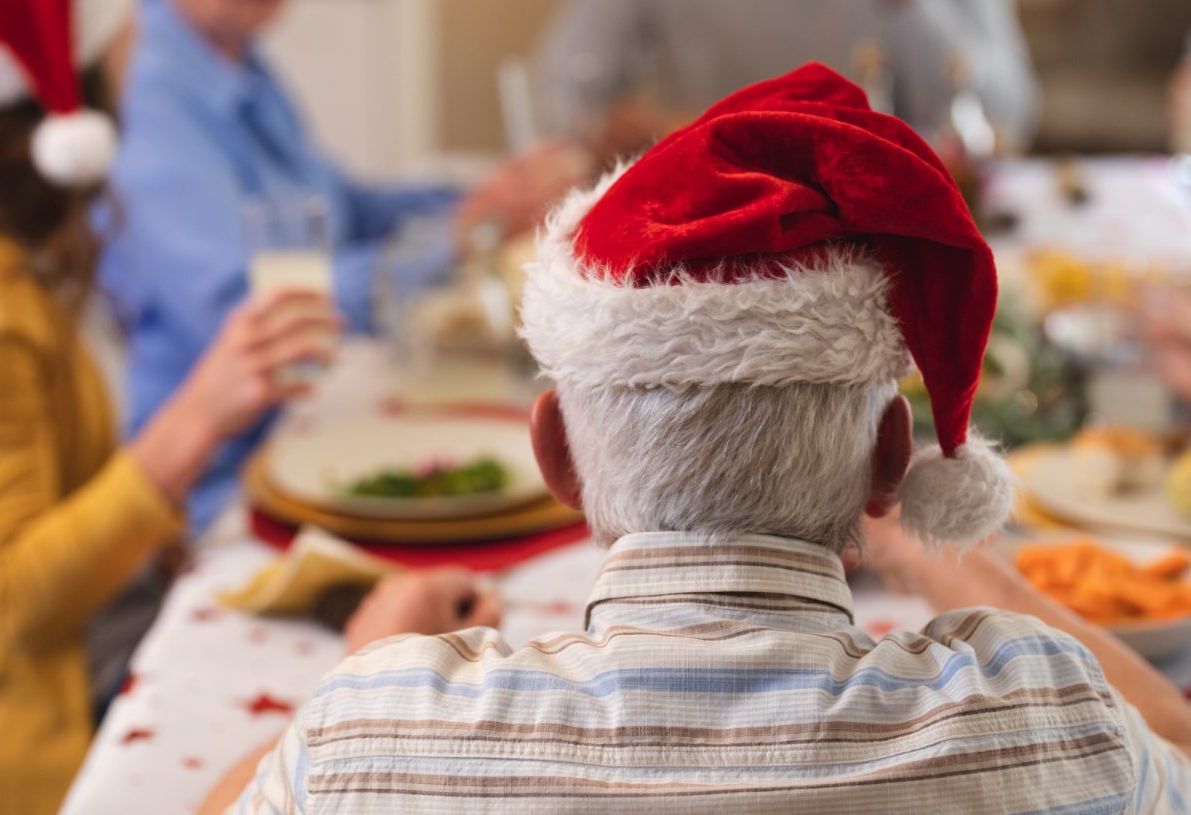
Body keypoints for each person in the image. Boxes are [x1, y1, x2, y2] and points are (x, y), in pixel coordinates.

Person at [210, 66, 1190, 812]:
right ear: (895, 455)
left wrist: (370, 656)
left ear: (554, 455)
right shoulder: (1046, 719)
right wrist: (926, 544)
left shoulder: (370, 739)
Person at [0, 2, 339, 812]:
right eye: (123, 57)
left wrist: (148, 542)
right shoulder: (1, 309)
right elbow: (11, 604)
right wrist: (193, 422)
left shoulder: (26, 272)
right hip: (42, 740)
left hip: (102, 630)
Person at [103, 0, 584, 533]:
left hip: (298, 419)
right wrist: (453, 237)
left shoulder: (234, 60)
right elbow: (251, 314)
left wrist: (481, 201)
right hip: (219, 480)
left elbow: (345, 207)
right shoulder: (152, 91)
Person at [534, 0, 1037, 163]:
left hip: (884, 240)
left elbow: (1008, 115)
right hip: (701, 232)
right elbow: (560, 89)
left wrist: (919, 13)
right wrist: (601, 127)